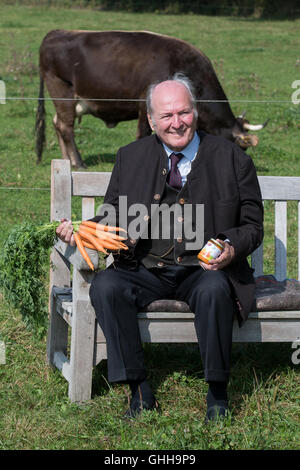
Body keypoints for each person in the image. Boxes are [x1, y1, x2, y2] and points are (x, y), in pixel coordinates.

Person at [57, 73, 263, 422]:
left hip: (203, 269)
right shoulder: (129, 156)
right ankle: (138, 389)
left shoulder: (232, 158)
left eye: (182, 113)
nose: (176, 122)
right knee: (107, 286)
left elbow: (252, 225)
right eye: (166, 116)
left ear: (195, 113)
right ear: (151, 120)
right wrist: (81, 230)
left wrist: (230, 246)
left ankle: (217, 393)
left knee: (215, 290)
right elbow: (112, 214)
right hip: (144, 266)